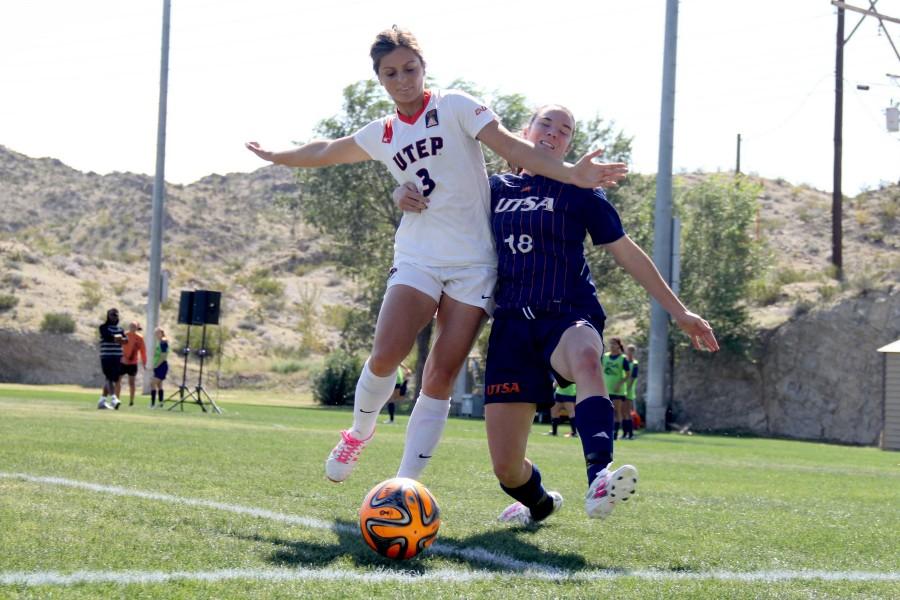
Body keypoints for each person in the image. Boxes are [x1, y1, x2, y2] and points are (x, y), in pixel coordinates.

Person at [246, 26, 627, 484]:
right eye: (392, 73)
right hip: (419, 254)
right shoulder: (382, 132)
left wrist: (571, 173)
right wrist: (279, 157)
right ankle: (357, 433)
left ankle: (404, 484)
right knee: (387, 354)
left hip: (474, 264)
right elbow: (328, 149)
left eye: (410, 69)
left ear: (424, 69)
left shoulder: (455, 106)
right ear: (381, 80)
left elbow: (512, 146)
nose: (403, 79)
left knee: (440, 374)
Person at [396, 104, 718, 525]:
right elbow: (434, 203)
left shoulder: (580, 190)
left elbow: (626, 252)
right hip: (511, 325)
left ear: (568, 144)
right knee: (507, 469)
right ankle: (540, 503)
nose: (554, 132)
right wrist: (400, 194)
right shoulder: (490, 188)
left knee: (586, 357)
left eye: (564, 130)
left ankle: (599, 476)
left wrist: (679, 311)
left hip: (567, 313)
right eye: (546, 123)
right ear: (526, 131)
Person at [602, 337, 631, 440]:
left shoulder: (623, 358)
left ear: (619, 345)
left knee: (616, 411)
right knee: (605, 411)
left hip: (618, 390)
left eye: (614, 344)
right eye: (611, 344)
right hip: (606, 389)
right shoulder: (605, 357)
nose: (612, 346)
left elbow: (628, 374)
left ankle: (615, 433)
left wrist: (619, 383)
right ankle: (605, 431)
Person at [97, 308, 126, 410]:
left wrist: (120, 339)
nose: (114, 317)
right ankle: (114, 399)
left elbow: (125, 340)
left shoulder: (120, 329)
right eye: (112, 315)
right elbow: (107, 336)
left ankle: (102, 401)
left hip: (117, 357)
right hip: (107, 356)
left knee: (113, 379)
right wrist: (118, 338)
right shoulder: (103, 327)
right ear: (108, 316)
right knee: (109, 377)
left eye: (116, 315)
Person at [120, 321, 147, 407]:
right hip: (123, 362)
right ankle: (116, 399)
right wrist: (121, 357)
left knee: (131, 382)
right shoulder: (124, 335)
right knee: (118, 380)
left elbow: (143, 352)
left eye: (134, 326)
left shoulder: (140, 338)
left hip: (133, 363)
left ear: (136, 328)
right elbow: (118, 347)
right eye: (131, 326)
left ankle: (131, 401)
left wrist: (144, 363)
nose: (132, 328)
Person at [150, 327, 169, 408]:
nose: (157, 335)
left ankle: (153, 404)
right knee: (159, 385)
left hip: (161, 366)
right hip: (158, 366)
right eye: (156, 333)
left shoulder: (163, 342)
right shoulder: (159, 342)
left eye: (158, 333)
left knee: (152, 383)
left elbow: (163, 356)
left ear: (162, 333)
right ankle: (160, 404)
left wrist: (157, 365)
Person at [624, 344, 640, 439]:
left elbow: (633, 378)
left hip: (629, 391)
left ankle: (630, 434)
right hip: (622, 390)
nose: (629, 352)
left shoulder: (635, 363)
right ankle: (625, 433)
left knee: (628, 412)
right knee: (623, 412)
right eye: (628, 350)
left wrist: (628, 388)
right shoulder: (624, 361)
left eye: (631, 351)